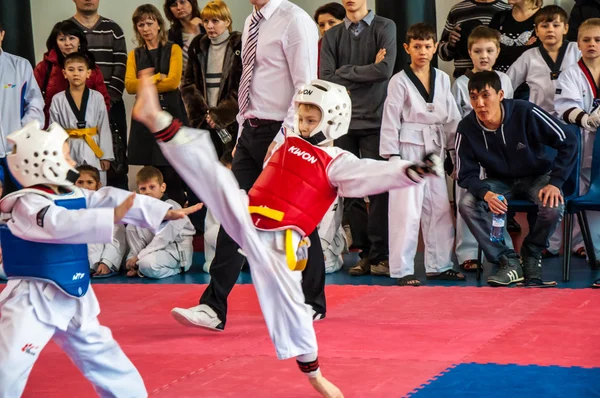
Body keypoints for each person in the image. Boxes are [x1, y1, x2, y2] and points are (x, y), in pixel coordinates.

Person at [132, 67, 444, 397]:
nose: (304, 124)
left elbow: (374, 173)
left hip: (282, 243)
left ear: (332, 121)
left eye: (312, 119)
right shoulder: (287, 142)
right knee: (216, 179)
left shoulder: (335, 161)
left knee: (291, 308)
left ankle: (315, 376)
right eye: (302, 117)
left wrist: (413, 170)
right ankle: (157, 120)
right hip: (248, 216)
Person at [0, 120, 200, 397]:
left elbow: (108, 198)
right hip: (34, 299)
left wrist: (162, 211)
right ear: (43, 161)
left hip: (74, 295)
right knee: (7, 367)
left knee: (105, 357)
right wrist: (110, 217)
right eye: (65, 154)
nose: (71, 159)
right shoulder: (28, 203)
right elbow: (60, 224)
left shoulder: (73, 193)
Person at [171, 0, 327, 330]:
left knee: (295, 219)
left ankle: (312, 301)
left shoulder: (294, 20)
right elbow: (250, 80)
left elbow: (305, 85)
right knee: (233, 212)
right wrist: (242, 125)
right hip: (250, 129)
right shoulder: (253, 20)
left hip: (281, 131)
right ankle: (213, 307)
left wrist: (287, 135)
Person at [457, 71, 577, 287]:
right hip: (499, 181)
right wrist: (486, 193)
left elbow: (568, 140)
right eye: (474, 97)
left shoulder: (525, 111)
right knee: (467, 204)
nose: (480, 103)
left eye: (486, 95)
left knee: (553, 206)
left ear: (501, 94)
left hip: (537, 177)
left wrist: (555, 183)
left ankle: (531, 253)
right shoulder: (466, 127)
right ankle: (508, 261)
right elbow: (465, 173)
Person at [379, 23, 463, 286]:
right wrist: (392, 156)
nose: (423, 51)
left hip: (434, 147)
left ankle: (440, 264)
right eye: (417, 47)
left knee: (438, 206)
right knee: (407, 208)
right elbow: (391, 118)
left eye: (428, 46)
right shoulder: (399, 80)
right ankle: (402, 269)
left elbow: (451, 118)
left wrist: (453, 151)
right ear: (407, 48)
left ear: (435, 47)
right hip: (408, 147)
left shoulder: (442, 78)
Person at [320, 0, 397, 277]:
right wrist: (364, 71)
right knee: (349, 190)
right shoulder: (332, 35)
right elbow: (326, 77)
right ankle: (364, 254)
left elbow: (384, 70)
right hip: (342, 122)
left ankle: (381, 255)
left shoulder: (385, 26)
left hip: (376, 119)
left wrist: (345, 72)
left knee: (377, 188)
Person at [507, 5, 582, 259]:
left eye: (556, 24)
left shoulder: (576, 50)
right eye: (544, 25)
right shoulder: (529, 56)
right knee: (545, 185)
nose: (550, 29)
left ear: (566, 28)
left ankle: (579, 242)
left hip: (572, 125)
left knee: (572, 185)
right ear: (536, 30)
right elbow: (507, 84)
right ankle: (548, 242)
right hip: (539, 130)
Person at [451, 25, 515, 272]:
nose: (484, 56)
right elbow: (454, 120)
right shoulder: (461, 83)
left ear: (498, 52)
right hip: (470, 150)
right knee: (466, 199)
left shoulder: (505, 80)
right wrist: (453, 156)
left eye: (489, 50)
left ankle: (502, 250)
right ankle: (467, 252)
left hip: (499, 152)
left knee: (497, 203)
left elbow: (508, 114)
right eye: (478, 51)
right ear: (470, 52)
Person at [126, 4, 187, 206]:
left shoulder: (173, 49)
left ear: (159, 25)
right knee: (150, 173)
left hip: (170, 116)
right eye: (141, 24)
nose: (145, 28)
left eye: (149, 23)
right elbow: (129, 86)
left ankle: (179, 221)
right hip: (146, 119)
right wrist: (155, 78)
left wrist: (144, 81)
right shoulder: (135, 54)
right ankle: (153, 218)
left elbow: (172, 82)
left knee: (172, 172)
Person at [554, 18, 600, 284]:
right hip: (583, 139)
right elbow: (563, 105)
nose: (592, 44)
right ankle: (582, 245)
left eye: (597, 40)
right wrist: (587, 119)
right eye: (586, 40)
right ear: (578, 43)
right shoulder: (570, 73)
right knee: (583, 191)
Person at [70, 0, 129, 189]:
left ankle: (119, 213)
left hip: (110, 105)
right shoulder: (68, 30)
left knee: (116, 162)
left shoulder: (113, 29)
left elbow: (121, 66)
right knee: (76, 163)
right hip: (76, 106)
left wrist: (106, 101)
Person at [181, 0, 241, 158]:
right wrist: (204, 114)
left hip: (232, 124)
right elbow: (187, 84)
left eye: (215, 21)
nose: (209, 25)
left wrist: (220, 115)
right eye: (206, 21)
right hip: (204, 123)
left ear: (227, 21)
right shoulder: (198, 45)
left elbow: (243, 86)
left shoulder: (239, 45)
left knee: (231, 174)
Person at [49, 52, 114, 186]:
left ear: (88, 73)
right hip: (69, 146)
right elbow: (54, 130)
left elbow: (104, 127)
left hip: (93, 146)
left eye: (80, 69)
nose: (76, 73)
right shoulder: (58, 99)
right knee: (70, 183)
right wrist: (58, 156)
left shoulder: (97, 97)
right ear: (64, 73)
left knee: (95, 183)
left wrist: (106, 155)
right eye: (71, 70)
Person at [34, 20, 110, 129]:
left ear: (80, 41)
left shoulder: (91, 67)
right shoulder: (45, 67)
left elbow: (104, 101)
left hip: (87, 132)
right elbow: (32, 98)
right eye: (62, 39)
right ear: (55, 42)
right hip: (51, 130)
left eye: (72, 38)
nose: (67, 43)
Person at [125, 166, 195, 279]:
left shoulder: (172, 207)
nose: (147, 192)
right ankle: (138, 268)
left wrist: (138, 258)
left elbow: (162, 239)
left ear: (162, 187)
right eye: (143, 189)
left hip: (176, 252)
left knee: (146, 264)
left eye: (152, 187)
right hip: (152, 252)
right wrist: (133, 260)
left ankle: (176, 270)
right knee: (131, 225)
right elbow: (136, 238)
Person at [0, 22, 45, 194]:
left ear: (2, 34)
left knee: (27, 198)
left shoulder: (20, 65)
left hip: (17, 149)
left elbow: (35, 102)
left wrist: (23, 132)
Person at [438, 0, 512, 78]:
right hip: (464, 82)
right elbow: (442, 54)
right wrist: (450, 45)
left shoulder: (507, 11)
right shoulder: (457, 11)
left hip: (496, 82)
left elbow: (512, 52)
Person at [75, 165, 127, 278]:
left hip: (98, 261)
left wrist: (106, 262)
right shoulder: (68, 207)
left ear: (98, 185)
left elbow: (116, 237)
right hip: (76, 263)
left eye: (89, 182)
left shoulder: (108, 207)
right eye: (80, 182)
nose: (85, 187)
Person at [489, 0, 542, 74]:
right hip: (499, 81)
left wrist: (503, 49)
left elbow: (538, 54)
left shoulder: (543, 17)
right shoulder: (500, 17)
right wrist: (525, 48)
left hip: (530, 81)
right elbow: (490, 52)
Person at [164, 0, 205, 75]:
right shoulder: (169, 35)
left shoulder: (207, 26)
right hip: (184, 83)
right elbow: (178, 65)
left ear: (192, 3)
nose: (179, 7)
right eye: (174, 4)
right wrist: (193, 34)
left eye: (182, 2)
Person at [313, 2, 346, 76]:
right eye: (322, 25)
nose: (326, 29)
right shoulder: (314, 49)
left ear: (345, 23)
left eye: (331, 22)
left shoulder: (356, 43)